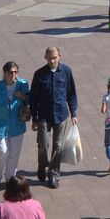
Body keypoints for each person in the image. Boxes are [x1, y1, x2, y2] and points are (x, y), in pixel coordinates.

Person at [28, 45, 77, 189]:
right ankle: (42, 165)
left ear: (59, 57)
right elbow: (34, 98)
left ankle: (54, 174)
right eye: (49, 58)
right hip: (43, 115)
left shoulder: (66, 72)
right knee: (43, 144)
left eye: (55, 58)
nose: (52, 61)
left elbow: (71, 94)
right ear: (45, 58)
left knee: (58, 146)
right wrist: (34, 118)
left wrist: (73, 113)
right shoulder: (39, 74)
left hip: (61, 115)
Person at [0, 61, 29, 185]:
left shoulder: (23, 84)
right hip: (0, 125)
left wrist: (23, 97)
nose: (13, 74)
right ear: (4, 73)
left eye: (16, 72)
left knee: (14, 153)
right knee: (2, 151)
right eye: (11, 72)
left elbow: (30, 99)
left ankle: (10, 178)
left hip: (17, 125)